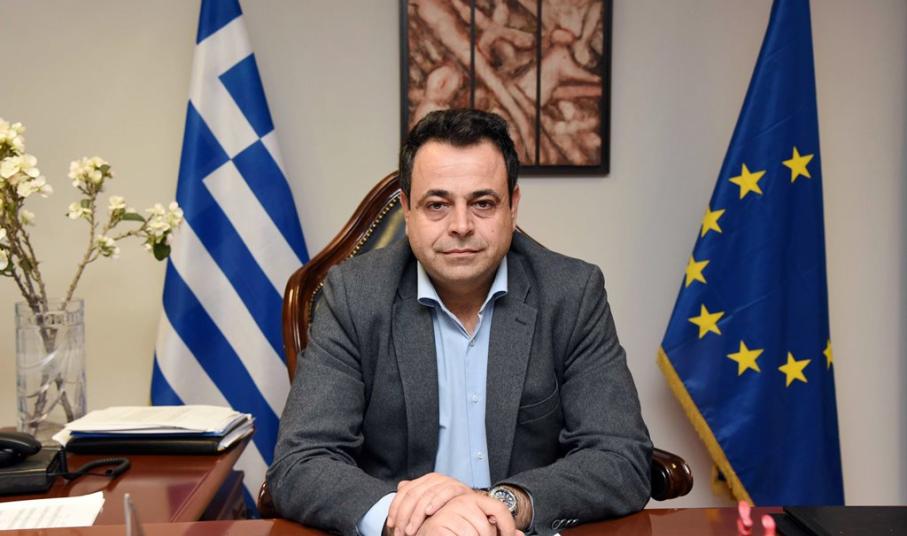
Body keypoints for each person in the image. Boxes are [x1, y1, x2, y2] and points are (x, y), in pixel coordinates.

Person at [266, 109, 651, 536]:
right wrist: (408, 518)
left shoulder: (572, 294)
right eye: (437, 205)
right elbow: (301, 462)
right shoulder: (354, 297)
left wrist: (505, 503)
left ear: (513, 207)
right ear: (407, 210)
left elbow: (621, 457)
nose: (461, 226)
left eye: (483, 203)